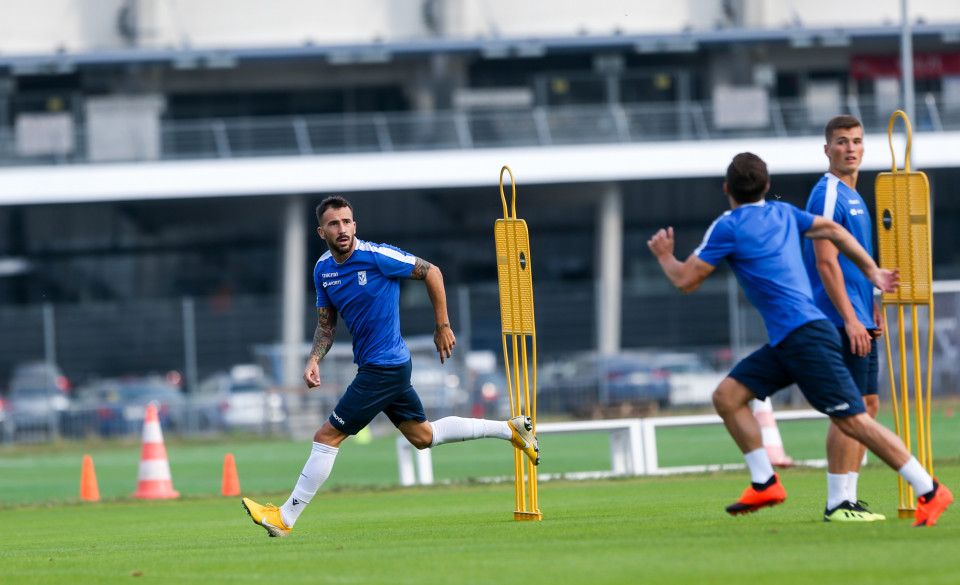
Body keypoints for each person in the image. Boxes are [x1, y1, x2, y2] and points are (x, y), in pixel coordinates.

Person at [646, 152, 952, 527]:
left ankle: (929, 490)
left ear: (727, 189)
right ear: (766, 186)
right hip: (789, 339)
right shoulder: (785, 212)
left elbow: (686, 280)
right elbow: (835, 231)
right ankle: (765, 483)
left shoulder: (728, 226)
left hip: (805, 337)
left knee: (854, 421)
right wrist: (872, 271)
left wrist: (664, 256)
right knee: (728, 397)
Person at [242, 195, 539, 537]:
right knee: (423, 436)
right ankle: (511, 430)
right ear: (321, 232)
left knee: (327, 435)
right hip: (381, 366)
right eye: (334, 224)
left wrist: (442, 326)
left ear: (355, 225)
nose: (342, 229)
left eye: (347, 221)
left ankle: (285, 518)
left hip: (384, 367)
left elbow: (432, 272)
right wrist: (313, 358)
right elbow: (326, 323)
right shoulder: (323, 270)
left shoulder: (378, 256)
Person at [803, 115, 885, 522]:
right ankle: (837, 502)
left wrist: (870, 306)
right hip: (838, 321)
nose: (850, 148)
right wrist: (851, 319)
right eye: (841, 141)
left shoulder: (854, 195)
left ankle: (849, 499)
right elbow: (825, 261)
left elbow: (855, 264)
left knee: (867, 405)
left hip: (859, 314)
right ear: (827, 149)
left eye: (856, 141)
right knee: (848, 410)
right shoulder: (828, 194)